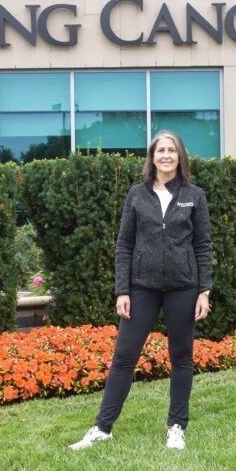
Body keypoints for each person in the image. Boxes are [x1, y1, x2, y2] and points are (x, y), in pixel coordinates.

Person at [69, 129, 213, 451]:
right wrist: (123, 290)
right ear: (152, 156)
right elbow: (124, 244)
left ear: (180, 156)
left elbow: (203, 245)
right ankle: (102, 428)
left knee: (181, 359)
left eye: (171, 150)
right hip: (141, 289)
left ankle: (177, 426)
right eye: (160, 150)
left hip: (183, 289)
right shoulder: (137, 194)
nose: (165, 155)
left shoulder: (194, 195)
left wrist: (204, 290)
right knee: (123, 357)